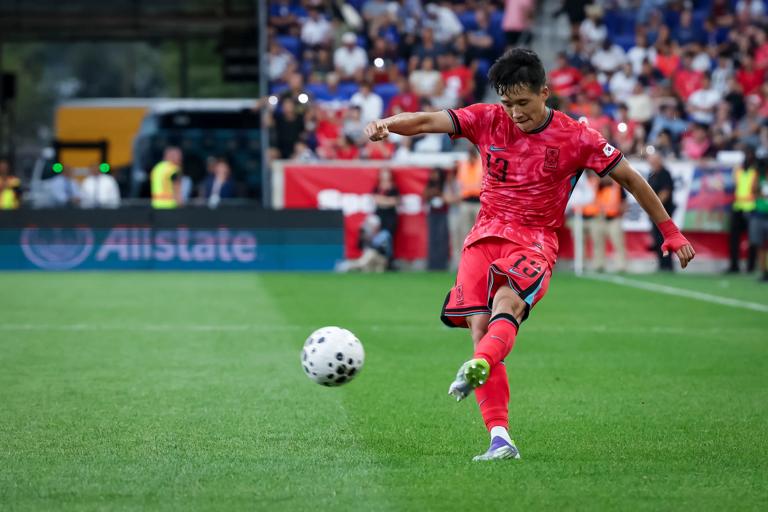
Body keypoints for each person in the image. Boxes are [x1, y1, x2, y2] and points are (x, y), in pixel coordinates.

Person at [364, 48, 695, 461]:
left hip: (534, 239)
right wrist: (387, 125)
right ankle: (499, 437)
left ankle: (478, 365)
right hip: (483, 236)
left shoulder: (577, 137)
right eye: (508, 103)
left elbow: (631, 178)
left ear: (544, 92)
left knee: (508, 303)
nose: (515, 112)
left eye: (523, 102)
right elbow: (431, 120)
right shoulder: (487, 118)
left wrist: (670, 231)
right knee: (481, 330)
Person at [581, 173, 627, 272]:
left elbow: (624, 202)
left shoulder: (617, 186)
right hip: (599, 218)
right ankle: (599, 265)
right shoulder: (597, 186)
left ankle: (621, 265)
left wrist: (621, 214)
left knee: (618, 243)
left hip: (614, 218)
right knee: (598, 243)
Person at [727, 148, 758, 273]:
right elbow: (735, 183)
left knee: (753, 239)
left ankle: (750, 266)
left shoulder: (755, 171)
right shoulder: (739, 171)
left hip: (751, 207)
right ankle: (734, 265)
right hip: (738, 206)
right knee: (734, 239)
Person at [646, 153, 676, 271]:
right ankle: (661, 264)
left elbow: (665, 193)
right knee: (657, 239)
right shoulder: (651, 175)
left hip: (664, 213)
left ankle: (667, 265)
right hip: (654, 213)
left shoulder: (665, 173)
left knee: (665, 239)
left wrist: (654, 206)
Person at [751, 160, 768, 281]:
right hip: (759, 214)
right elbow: (753, 190)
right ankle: (763, 270)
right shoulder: (760, 178)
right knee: (760, 245)